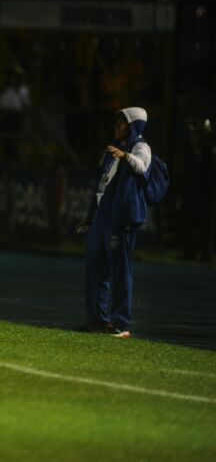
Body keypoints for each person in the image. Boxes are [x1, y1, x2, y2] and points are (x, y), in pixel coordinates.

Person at [77, 107, 151, 339]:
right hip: (103, 218)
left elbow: (142, 167)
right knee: (95, 268)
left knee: (120, 271)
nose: (116, 127)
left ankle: (120, 323)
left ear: (133, 126)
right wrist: (91, 217)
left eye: (121, 124)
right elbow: (102, 185)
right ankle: (96, 320)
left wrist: (126, 155)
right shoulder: (112, 150)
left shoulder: (140, 146)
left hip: (122, 219)